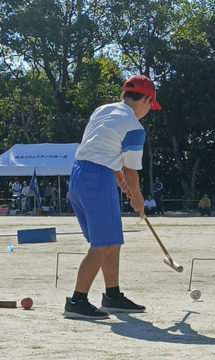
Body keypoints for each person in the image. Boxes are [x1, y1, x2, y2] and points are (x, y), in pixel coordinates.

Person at [63, 74, 161, 319]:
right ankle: (77, 301)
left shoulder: (102, 110)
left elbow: (99, 145)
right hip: (98, 178)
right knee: (103, 244)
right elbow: (132, 171)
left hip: (79, 174)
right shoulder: (135, 128)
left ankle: (112, 295)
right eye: (151, 105)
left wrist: (116, 174)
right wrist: (137, 199)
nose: (149, 109)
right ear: (147, 100)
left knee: (111, 240)